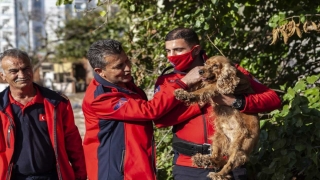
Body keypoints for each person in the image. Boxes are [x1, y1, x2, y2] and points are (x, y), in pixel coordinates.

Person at [154, 27, 282, 180]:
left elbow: (273, 99)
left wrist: (237, 101)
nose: (171, 56)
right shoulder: (167, 81)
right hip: (189, 166)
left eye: (178, 50)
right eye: (168, 51)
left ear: (195, 50)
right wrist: (200, 97)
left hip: (230, 164)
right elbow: (160, 120)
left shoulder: (229, 70)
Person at [82, 39, 202, 180]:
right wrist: (184, 82)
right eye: (119, 66)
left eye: (127, 61)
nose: (127, 68)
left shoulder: (127, 86)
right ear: (100, 71)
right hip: (115, 173)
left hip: (138, 169)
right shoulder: (100, 97)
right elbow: (149, 111)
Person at [0, 49, 87, 180]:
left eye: (26, 68)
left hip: (52, 176)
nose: (22, 74)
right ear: (3, 76)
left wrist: (80, 175)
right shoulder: (1, 106)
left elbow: (72, 141)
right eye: (14, 71)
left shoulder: (57, 103)